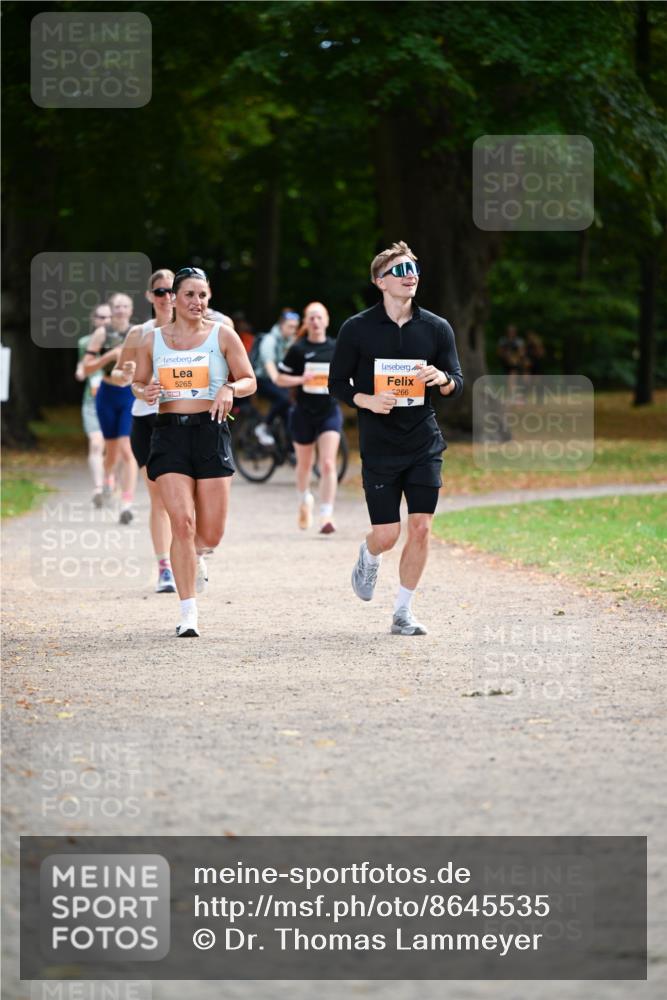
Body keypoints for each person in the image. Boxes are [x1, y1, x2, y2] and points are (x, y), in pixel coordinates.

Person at [329, 240, 463, 636]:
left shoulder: (437, 327)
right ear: (379, 281)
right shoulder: (357, 329)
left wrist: (443, 380)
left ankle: (403, 611)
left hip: (424, 441)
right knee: (388, 534)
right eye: (400, 272)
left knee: (420, 526)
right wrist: (366, 400)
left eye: (414, 271)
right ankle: (369, 555)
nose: (411, 278)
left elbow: (457, 379)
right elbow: (336, 383)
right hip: (380, 445)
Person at [131, 266, 256, 638]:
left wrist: (230, 389)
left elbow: (249, 379)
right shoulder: (152, 340)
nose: (196, 302)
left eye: (202, 295)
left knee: (211, 533)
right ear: (173, 298)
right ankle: (188, 612)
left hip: (210, 433)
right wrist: (145, 391)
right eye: (189, 294)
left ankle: (199, 556)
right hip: (168, 434)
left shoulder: (223, 335)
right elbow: (137, 382)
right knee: (182, 523)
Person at [115, 270, 176, 593]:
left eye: (171, 291)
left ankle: (192, 557)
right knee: (159, 500)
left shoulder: (191, 333)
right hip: (146, 422)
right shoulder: (139, 334)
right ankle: (164, 567)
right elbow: (121, 373)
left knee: (185, 499)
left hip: (180, 420)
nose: (167, 297)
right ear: (150, 296)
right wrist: (127, 375)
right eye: (160, 291)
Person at [276, 302, 342, 533]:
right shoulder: (298, 349)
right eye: (311, 318)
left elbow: (347, 377)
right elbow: (280, 379)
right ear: (306, 322)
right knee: (305, 464)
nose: (315, 322)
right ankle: (305, 499)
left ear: (326, 320)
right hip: (303, 412)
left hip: (329, 411)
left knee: (327, 463)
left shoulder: (336, 348)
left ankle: (326, 515)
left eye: (319, 317)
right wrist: (301, 380)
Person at [83, 292, 137, 523]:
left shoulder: (138, 333)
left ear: (131, 310)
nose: (121, 310)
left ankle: (127, 503)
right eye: (117, 306)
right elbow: (86, 368)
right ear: (111, 309)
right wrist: (110, 357)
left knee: (127, 448)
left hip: (129, 395)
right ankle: (107, 478)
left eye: (125, 306)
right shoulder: (101, 334)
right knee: (111, 451)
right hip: (106, 394)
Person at [74, 302, 111, 507]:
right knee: (96, 443)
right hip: (92, 401)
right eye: (100, 317)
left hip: (115, 401)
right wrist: (81, 370)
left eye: (108, 317)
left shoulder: (121, 340)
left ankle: (110, 481)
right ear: (94, 319)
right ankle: (98, 488)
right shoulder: (85, 342)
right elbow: (83, 363)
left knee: (113, 448)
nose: (104, 321)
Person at [252, 308, 300, 446]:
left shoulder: (289, 341)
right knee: (284, 398)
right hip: (262, 379)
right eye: (290, 327)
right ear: (281, 325)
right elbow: (269, 364)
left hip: (277, 379)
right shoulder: (269, 340)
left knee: (289, 411)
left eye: (295, 327)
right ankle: (264, 427)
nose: (293, 330)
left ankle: (290, 448)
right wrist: (280, 381)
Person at [496, 324, 525, 391]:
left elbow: (522, 353)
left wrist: (514, 357)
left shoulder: (519, 341)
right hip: (505, 362)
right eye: (509, 331)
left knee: (513, 377)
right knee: (508, 379)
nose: (511, 333)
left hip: (515, 363)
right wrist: (506, 356)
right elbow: (499, 353)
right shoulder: (503, 340)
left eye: (512, 331)